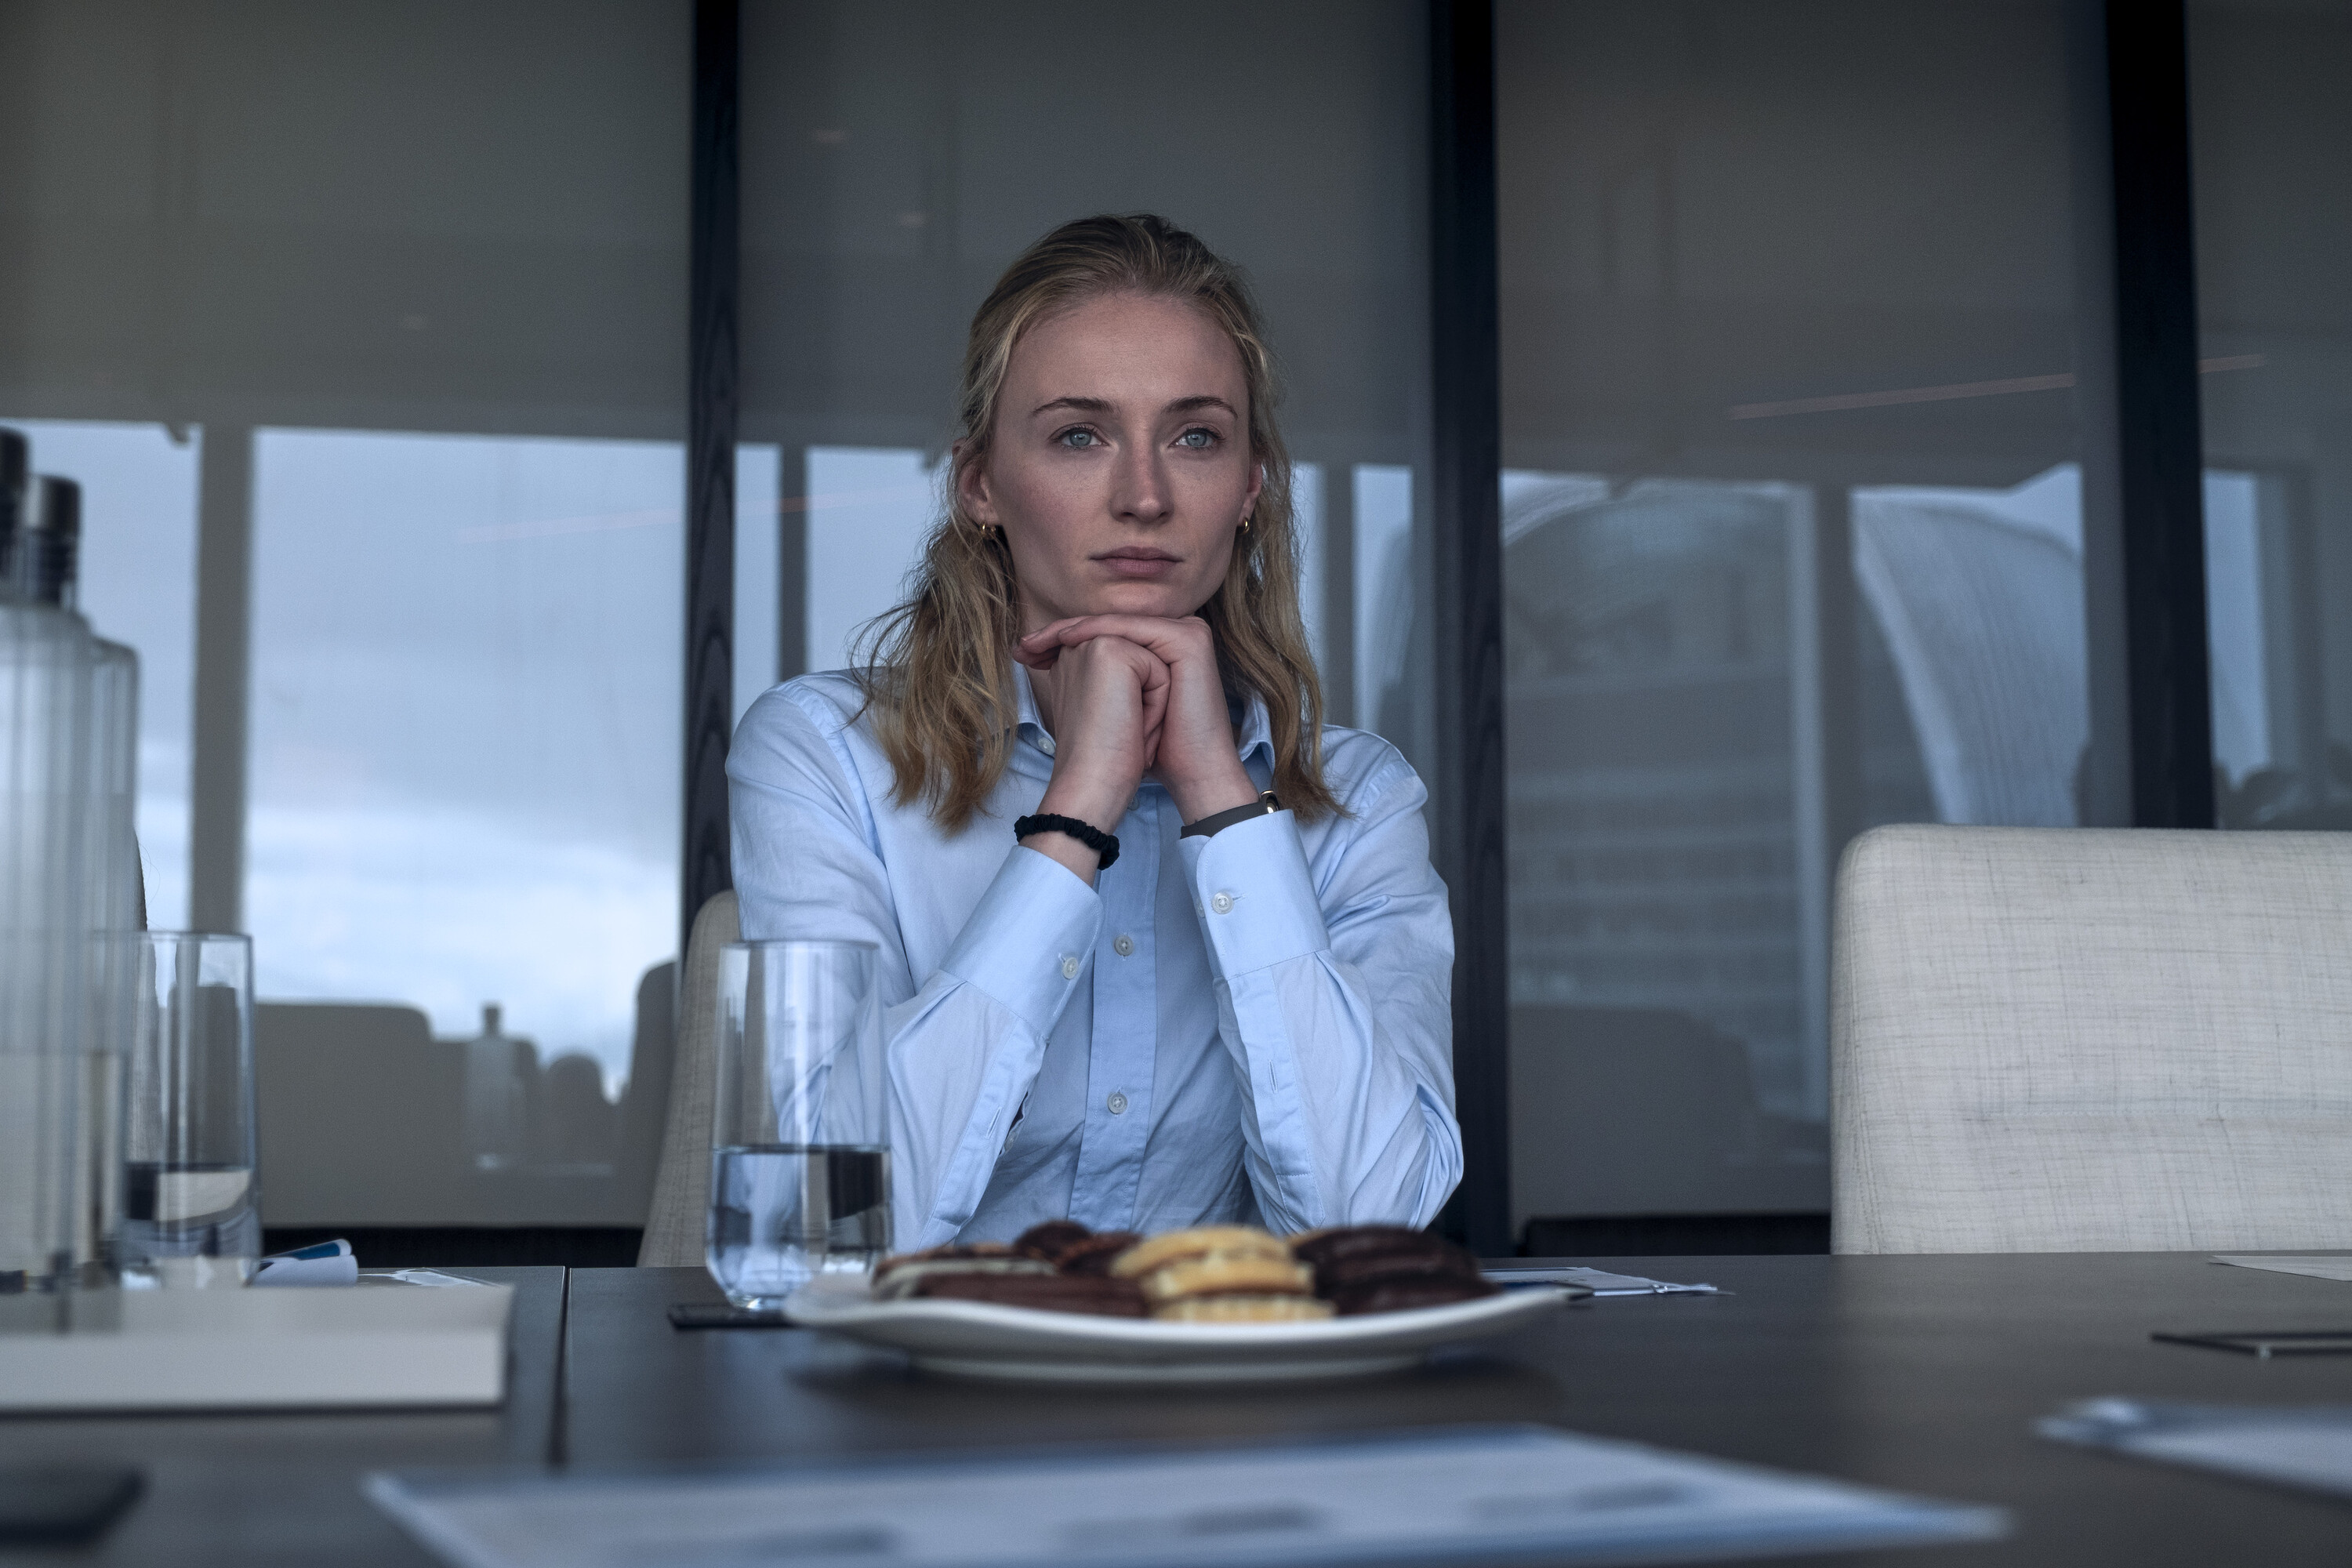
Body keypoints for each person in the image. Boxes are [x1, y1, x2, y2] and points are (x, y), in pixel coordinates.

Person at [728, 213, 1460, 1250]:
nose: (1145, 496)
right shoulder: (825, 754)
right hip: (905, 1396)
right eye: (1080, 434)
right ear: (979, 483)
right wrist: (1077, 813)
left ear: (1250, 489)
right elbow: (824, 1225)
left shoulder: (1359, 802)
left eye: (1195, 436)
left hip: (1225, 1397)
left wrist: (1219, 794)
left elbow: (1369, 1225)